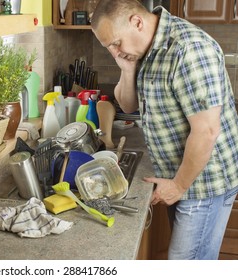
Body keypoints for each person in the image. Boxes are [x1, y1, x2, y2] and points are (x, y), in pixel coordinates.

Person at [91, 0, 238, 260]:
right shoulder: (143, 48)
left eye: (115, 43)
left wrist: (179, 186)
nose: (114, 52)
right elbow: (128, 103)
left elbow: (207, 131)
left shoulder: (188, 49)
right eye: (109, 47)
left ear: (137, 22)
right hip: (180, 175)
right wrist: (127, 68)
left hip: (204, 182)